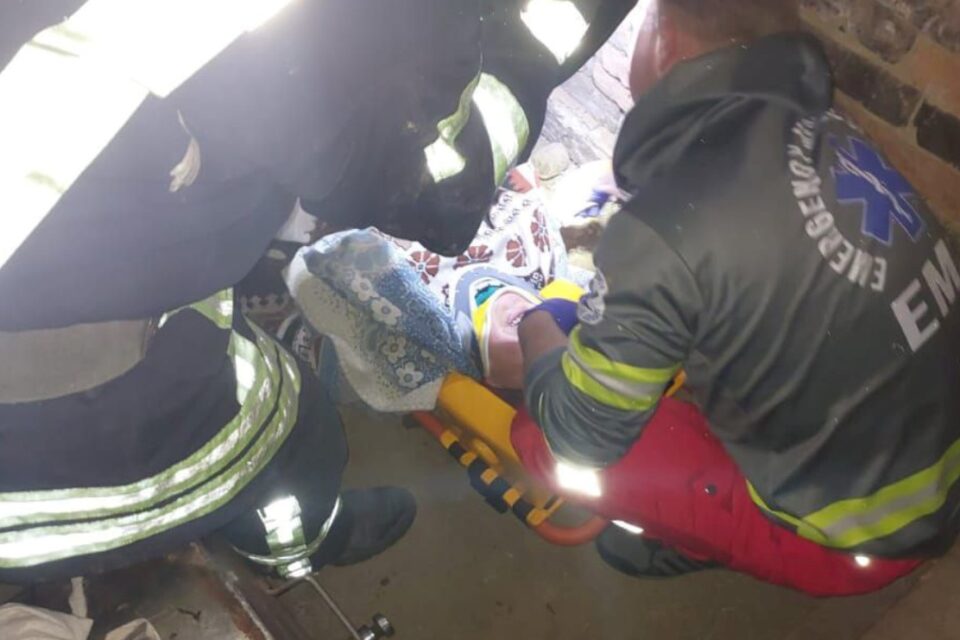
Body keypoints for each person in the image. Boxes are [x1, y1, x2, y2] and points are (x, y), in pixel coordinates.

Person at [0, 0, 634, 582]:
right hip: (50, 363)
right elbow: (440, 182)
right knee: (280, 433)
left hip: (72, 242)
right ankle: (296, 543)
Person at [515, 0, 960, 596]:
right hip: (933, 465)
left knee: (540, 435)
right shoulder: (827, 129)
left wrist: (534, 322)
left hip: (863, 538)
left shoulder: (665, 228)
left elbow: (580, 434)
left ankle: (719, 537)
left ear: (665, 42)